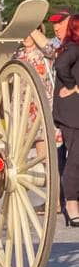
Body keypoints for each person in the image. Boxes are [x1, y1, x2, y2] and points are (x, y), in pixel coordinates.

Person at [17, 10, 68, 211]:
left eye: (30, 33)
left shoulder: (44, 53)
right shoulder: (17, 54)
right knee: (24, 162)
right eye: (23, 33)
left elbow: (51, 47)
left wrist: (32, 26)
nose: (26, 37)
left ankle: (54, 201)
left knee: (47, 159)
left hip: (43, 110)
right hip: (24, 113)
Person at [53, 13, 79, 228]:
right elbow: (61, 66)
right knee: (75, 159)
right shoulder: (72, 48)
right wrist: (71, 86)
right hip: (72, 114)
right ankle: (71, 203)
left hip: (73, 112)